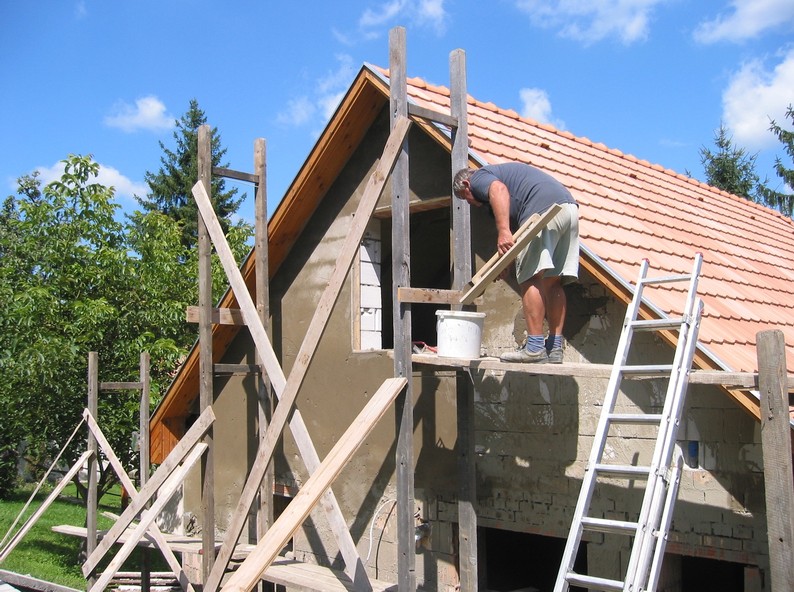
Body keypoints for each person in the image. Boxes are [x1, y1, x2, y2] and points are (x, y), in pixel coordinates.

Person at [452, 162, 579, 363]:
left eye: (464, 197)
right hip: (568, 210)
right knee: (553, 281)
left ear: (467, 184)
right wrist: (507, 263)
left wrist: (503, 231)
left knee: (530, 278)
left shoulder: (479, 177)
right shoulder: (508, 186)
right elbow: (515, 238)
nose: (469, 202)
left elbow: (498, 189)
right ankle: (554, 347)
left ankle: (535, 348)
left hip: (542, 211)